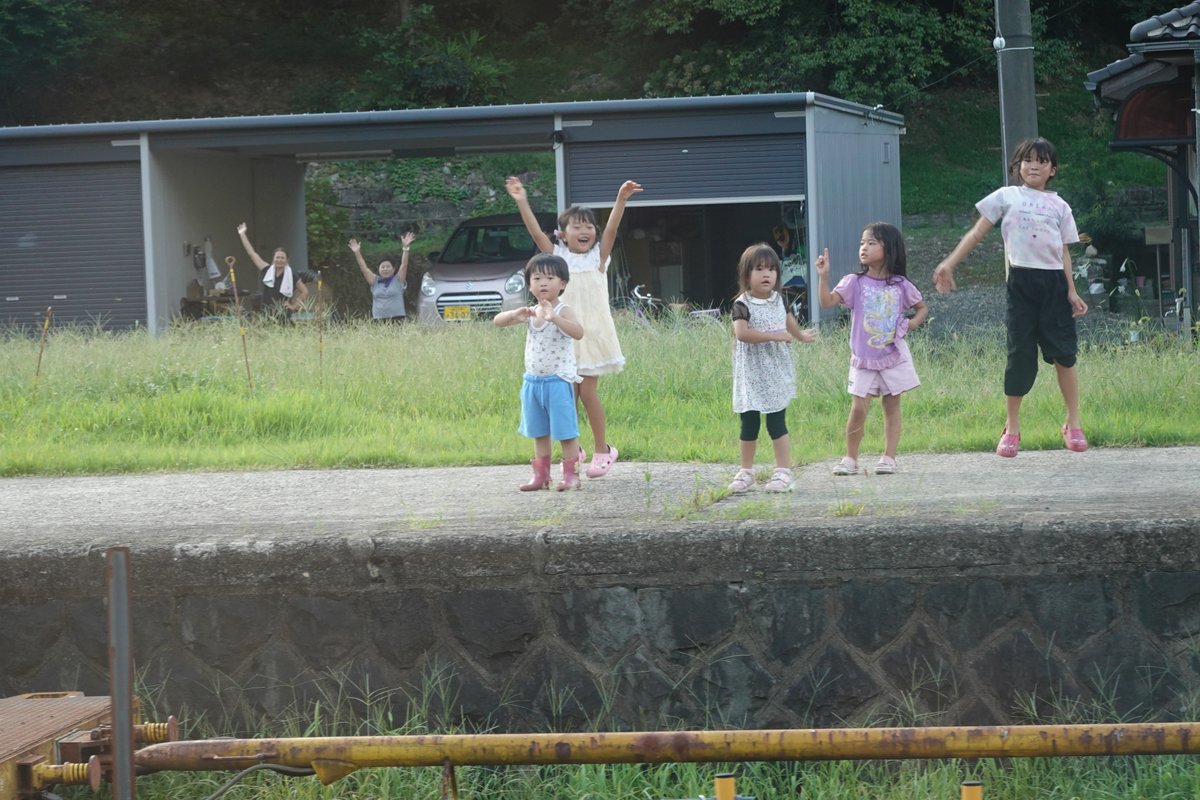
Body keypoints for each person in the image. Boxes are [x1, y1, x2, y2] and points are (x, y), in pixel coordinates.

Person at [932, 137, 1088, 458]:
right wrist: (949, 263)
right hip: (1021, 284)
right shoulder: (1007, 196)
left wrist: (1072, 291)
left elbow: (1064, 252)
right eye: (1027, 160)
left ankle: (1073, 423)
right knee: (1020, 356)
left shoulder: (1059, 206)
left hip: (1054, 286)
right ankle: (1012, 427)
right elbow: (976, 233)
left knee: (1065, 355)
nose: (1034, 165)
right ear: (1017, 166)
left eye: (1042, 161)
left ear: (1052, 170)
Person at [506, 176, 641, 479]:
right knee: (569, 395)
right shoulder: (558, 259)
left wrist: (620, 199)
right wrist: (521, 201)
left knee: (588, 392)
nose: (584, 231)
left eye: (588, 226)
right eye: (576, 226)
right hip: (562, 337)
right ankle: (575, 448)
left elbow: (613, 228)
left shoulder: (598, 257)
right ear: (563, 235)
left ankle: (603, 450)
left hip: (592, 336)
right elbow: (535, 233)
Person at [816, 223, 928, 476]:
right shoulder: (853, 282)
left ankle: (889, 457)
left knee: (891, 406)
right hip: (863, 358)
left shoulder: (900, 284)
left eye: (871, 243)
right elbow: (826, 302)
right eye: (862, 243)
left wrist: (910, 324)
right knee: (858, 408)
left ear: (889, 249)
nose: (863, 248)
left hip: (893, 356)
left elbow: (922, 308)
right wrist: (823, 276)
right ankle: (850, 458)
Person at [728, 243, 817, 494]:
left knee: (777, 423)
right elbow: (742, 333)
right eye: (759, 269)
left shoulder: (781, 300)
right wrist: (775, 336)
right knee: (749, 424)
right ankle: (746, 471)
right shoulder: (741, 304)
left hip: (776, 373)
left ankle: (783, 471)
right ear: (746, 275)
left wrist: (801, 336)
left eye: (771, 269)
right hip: (751, 376)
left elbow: (790, 324)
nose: (766, 274)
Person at [494, 254, 586, 491]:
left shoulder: (563, 311)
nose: (543, 283)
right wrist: (514, 314)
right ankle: (541, 475)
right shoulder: (530, 312)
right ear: (529, 285)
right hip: (533, 382)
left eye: (550, 277)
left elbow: (578, 333)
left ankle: (571, 475)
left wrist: (554, 318)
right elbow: (497, 321)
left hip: (558, 381)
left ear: (563, 283)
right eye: (536, 278)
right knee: (539, 432)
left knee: (566, 432)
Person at [236, 222, 309, 319]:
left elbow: (304, 291)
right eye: (277, 257)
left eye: (282, 258)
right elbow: (252, 254)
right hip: (266, 313)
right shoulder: (267, 270)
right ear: (273, 258)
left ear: (287, 260)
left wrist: (294, 306)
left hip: (283, 314)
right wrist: (242, 234)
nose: (279, 260)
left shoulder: (291, 274)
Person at [350, 231, 415, 322]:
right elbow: (364, 268)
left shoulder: (398, 280)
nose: (385, 269)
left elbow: (404, 264)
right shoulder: (375, 281)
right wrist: (357, 253)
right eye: (383, 267)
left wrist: (405, 248)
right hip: (378, 320)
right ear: (379, 269)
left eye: (388, 267)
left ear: (393, 269)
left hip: (398, 318)